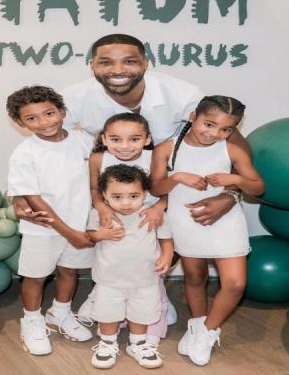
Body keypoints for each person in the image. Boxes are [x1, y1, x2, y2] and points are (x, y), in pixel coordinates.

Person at [15, 33, 250, 241]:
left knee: (174, 249)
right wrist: (20, 193)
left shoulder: (183, 94)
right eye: (105, 62)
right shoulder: (73, 97)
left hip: (174, 185)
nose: (118, 70)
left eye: (129, 61)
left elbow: (232, 141)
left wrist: (231, 194)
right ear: (92, 66)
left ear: (146, 63)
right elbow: (46, 145)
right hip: (113, 191)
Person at [150, 95, 265, 366]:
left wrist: (236, 179)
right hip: (186, 220)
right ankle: (196, 324)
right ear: (193, 117)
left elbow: (258, 187)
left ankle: (207, 332)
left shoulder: (231, 149)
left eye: (225, 129)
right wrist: (178, 177)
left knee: (235, 283)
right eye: (209, 124)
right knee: (194, 276)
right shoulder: (166, 149)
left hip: (226, 223)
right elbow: (155, 187)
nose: (214, 134)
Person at [6, 85, 95, 356]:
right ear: (21, 123)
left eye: (49, 113)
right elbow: (33, 198)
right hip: (43, 227)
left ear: (62, 112)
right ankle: (32, 320)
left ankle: (60, 313)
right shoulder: (25, 153)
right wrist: (69, 232)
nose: (44, 122)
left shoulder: (84, 141)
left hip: (80, 223)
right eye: (32, 118)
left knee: (69, 270)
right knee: (36, 276)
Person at [79, 112, 171, 344]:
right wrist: (101, 207)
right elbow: (94, 188)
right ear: (104, 138)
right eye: (116, 139)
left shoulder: (155, 156)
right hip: (111, 211)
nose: (125, 146)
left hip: (147, 217)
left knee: (147, 265)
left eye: (134, 139)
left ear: (147, 139)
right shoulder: (98, 158)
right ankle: (103, 299)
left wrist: (159, 207)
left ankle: (153, 309)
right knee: (113, 258)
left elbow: (165, 188)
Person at [86, 164, 174, 369]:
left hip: (145, 279)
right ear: (105, 195)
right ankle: (107, 343)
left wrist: (167, 256)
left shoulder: (154, 215)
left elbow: (166, 240)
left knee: (141, 313)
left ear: (145, 194)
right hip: (109, 279)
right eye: (117, 197)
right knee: (108, 313)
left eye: (134, 196)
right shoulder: (100, 214)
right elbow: (89, 236)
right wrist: (101, 234)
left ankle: (138, 344)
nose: (126, 203)